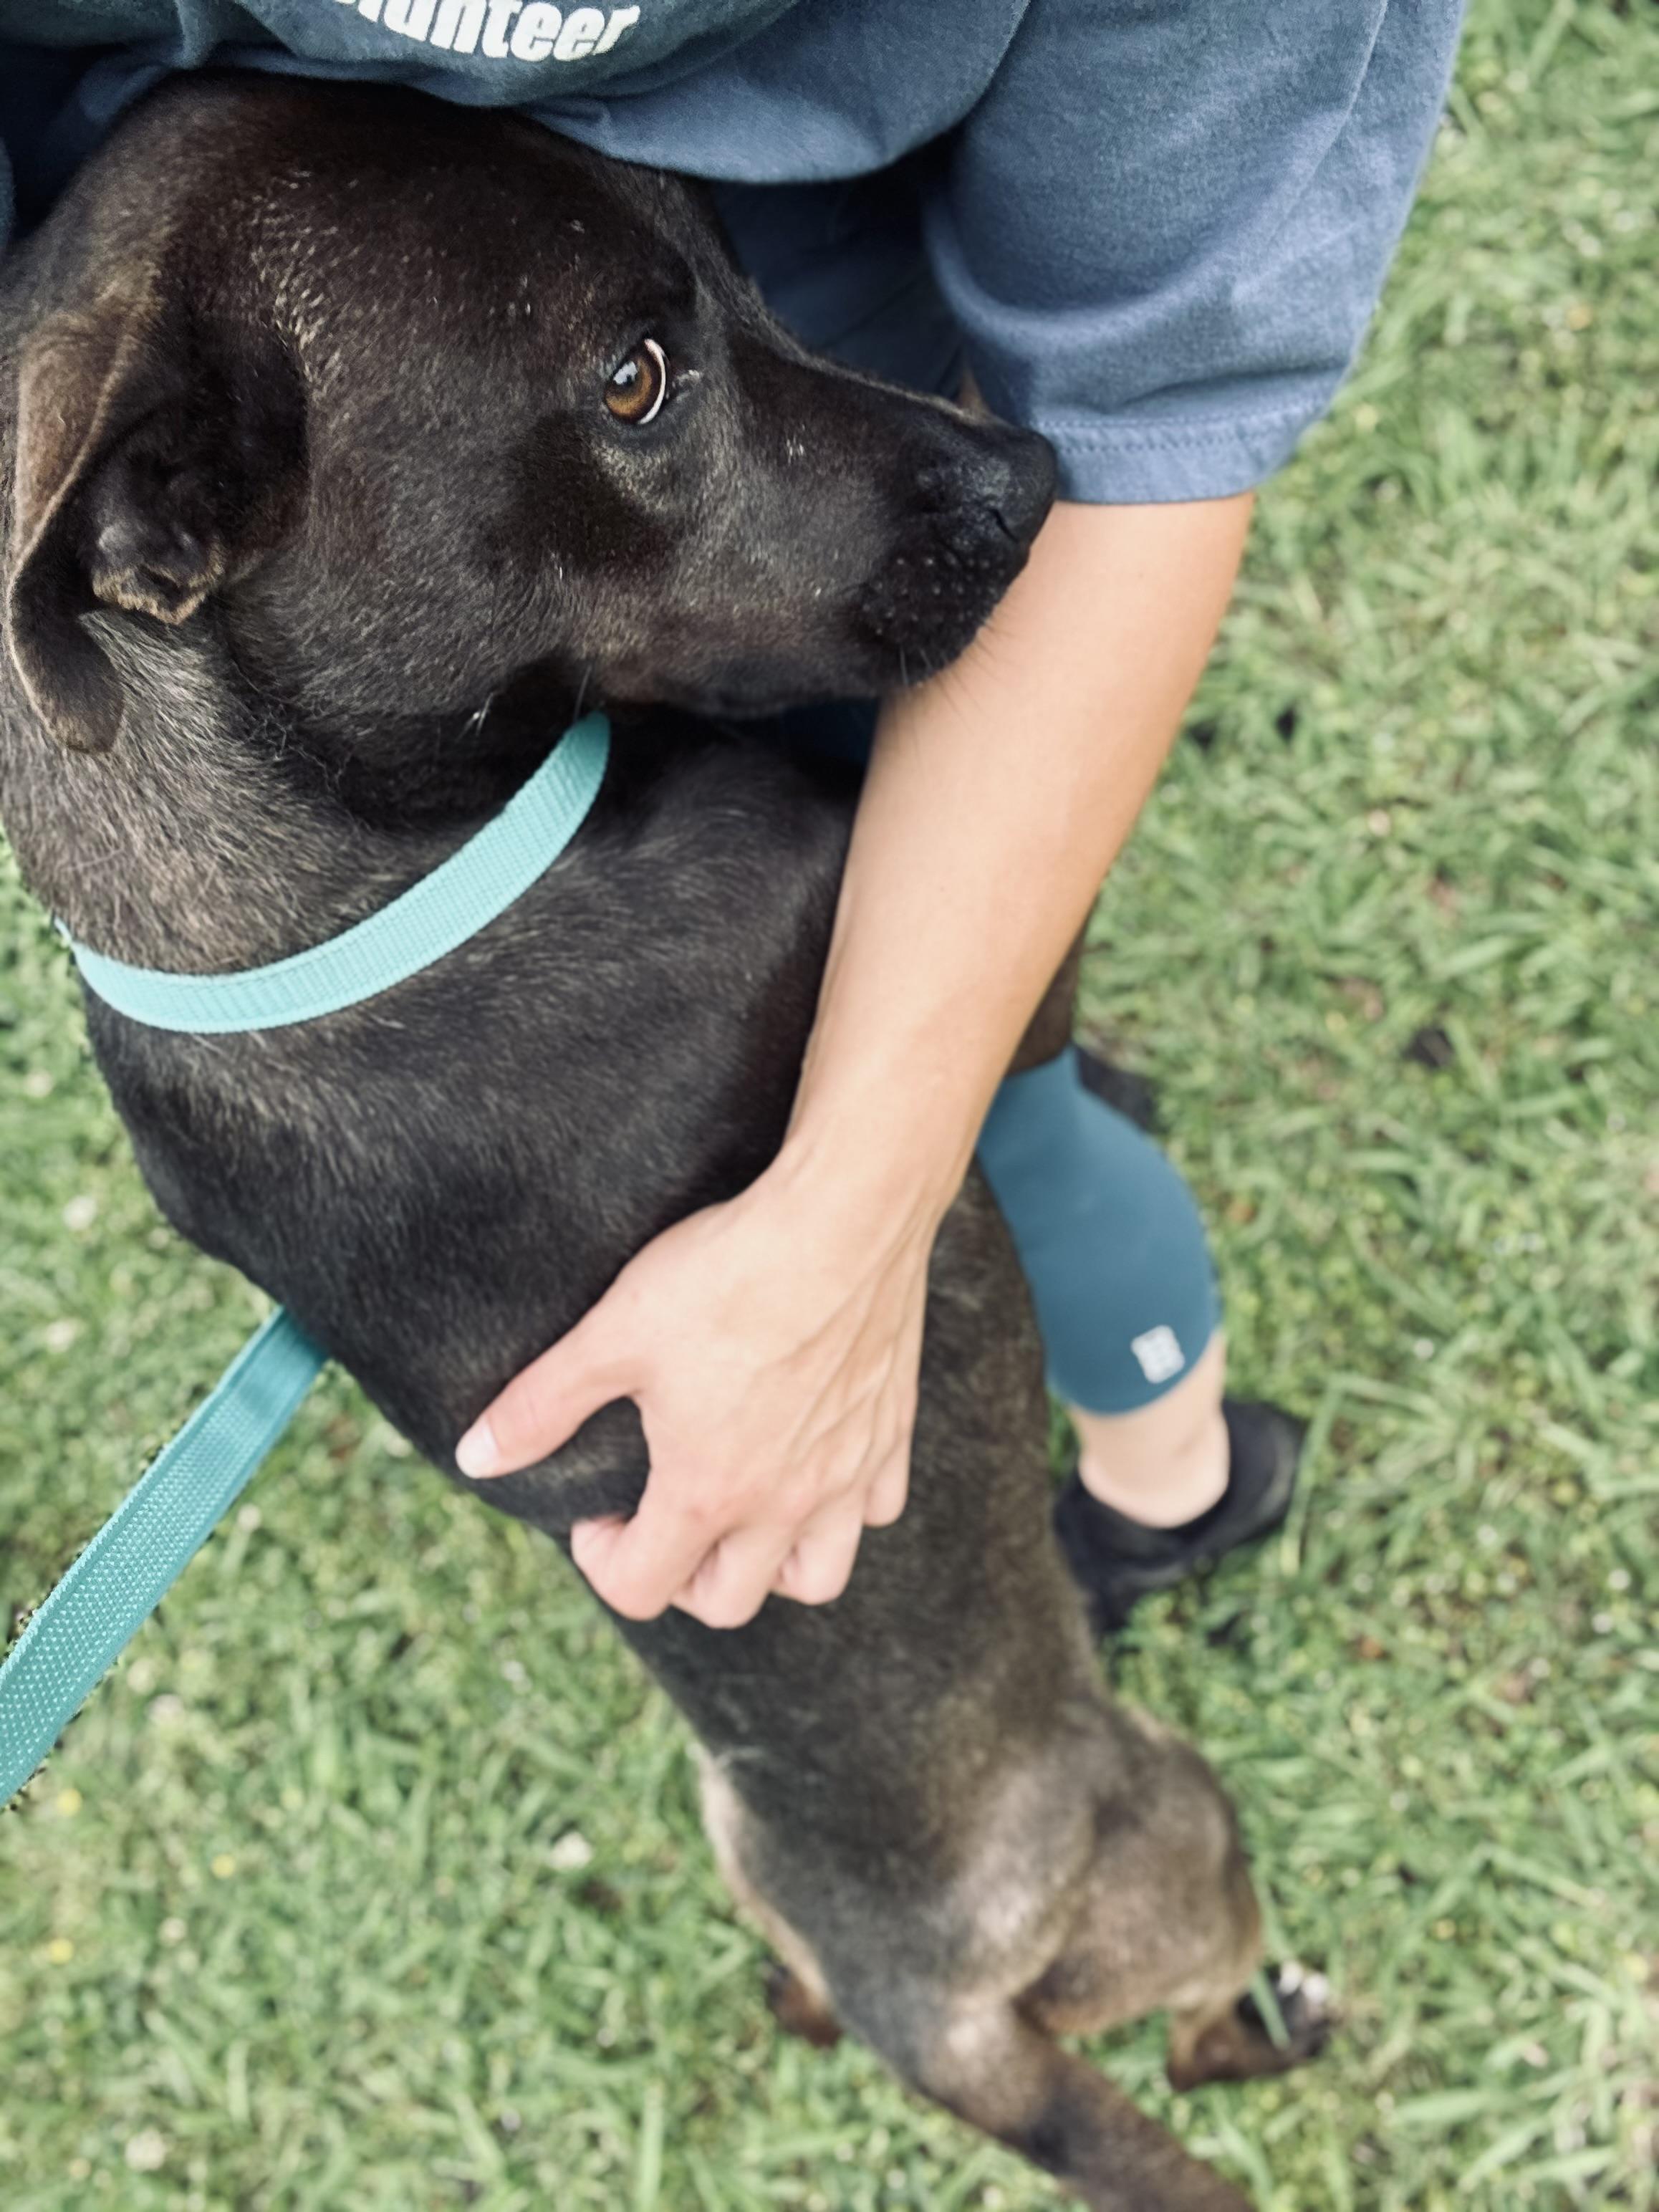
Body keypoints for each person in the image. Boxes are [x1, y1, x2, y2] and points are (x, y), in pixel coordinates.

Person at [0, 0, 1465, 1635]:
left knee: (1006, 1089)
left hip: (665, 389)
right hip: (461, 485)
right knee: (1015, 1088)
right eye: (639, 387)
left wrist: (862, 1201)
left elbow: (1147, 408)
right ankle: (1171, 1471)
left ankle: (1165, 1488)